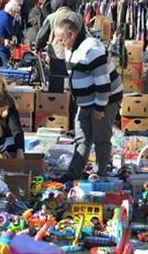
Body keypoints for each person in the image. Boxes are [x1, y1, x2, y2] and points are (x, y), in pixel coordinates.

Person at [52, 19, 123, 182]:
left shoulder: (92, 50)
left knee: (101, 137)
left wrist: (100, 108)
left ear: (71, 34)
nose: (59, 43)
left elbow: (103, 82)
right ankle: (74, 173)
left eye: (61, 39)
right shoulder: (71, 47)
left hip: (105, 99)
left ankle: (100, 174)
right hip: (85, 101)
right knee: (82, 136)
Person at [35, 0, 84, 79]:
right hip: (76, 56)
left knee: (57, 83)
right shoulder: (78, 17)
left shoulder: (51, 17)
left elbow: (41, 36)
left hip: (57, 56)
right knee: (73, 81)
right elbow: (83, 35)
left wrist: (38, 47)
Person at [0, 0, 21, 69]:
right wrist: (17, 22)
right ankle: (5, 77)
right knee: (8, 63)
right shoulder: (6, 18)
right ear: (11, 10)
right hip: (3, 42)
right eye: (15, 12)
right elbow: (12, 32)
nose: (16, 14)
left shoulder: (1, 13)